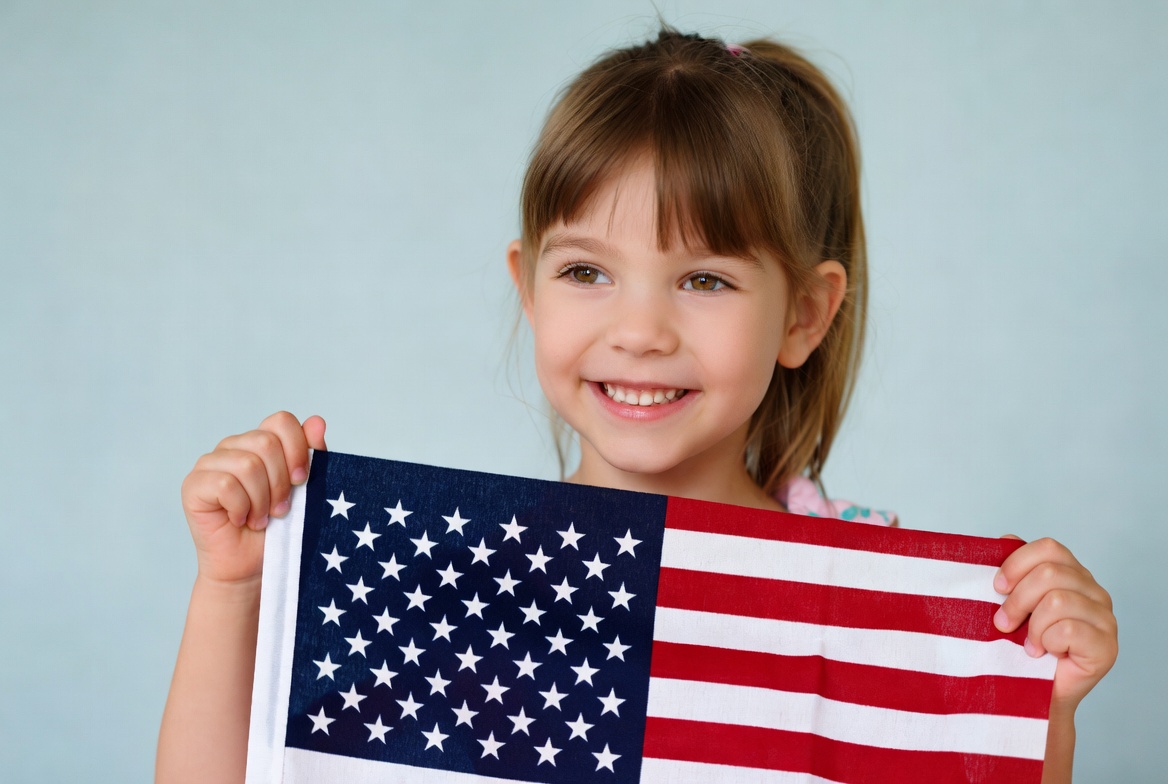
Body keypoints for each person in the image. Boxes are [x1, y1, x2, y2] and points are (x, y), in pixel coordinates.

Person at [156, 29, 1117, 783]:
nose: (641, 330)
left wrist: (1045, 702)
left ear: (806, 315)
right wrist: (234, 588)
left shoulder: (867, 602)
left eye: (703, 280)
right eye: (586, 272)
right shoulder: (453, 583)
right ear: (528, 289)